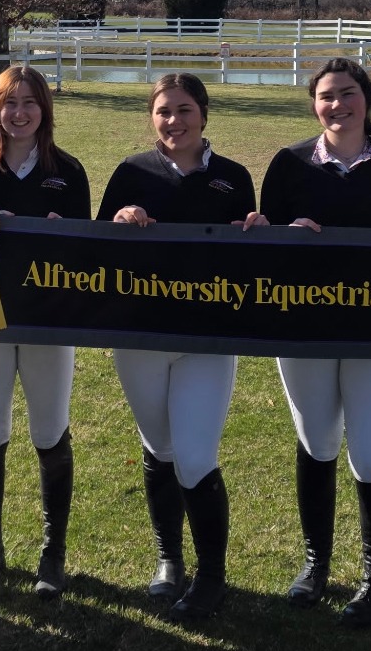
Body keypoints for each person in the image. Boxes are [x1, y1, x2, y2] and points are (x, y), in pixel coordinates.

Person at [256, 57, 371, 628]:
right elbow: (268, 247)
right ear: (314, 104)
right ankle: (317, 563)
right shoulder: (287, 165)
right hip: (302, 326)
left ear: (367, 101)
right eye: (327, 96)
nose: (338, 105)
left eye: (348, 94)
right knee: (316, 440)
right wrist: (279, 235)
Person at [97, 73, 259, 621]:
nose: (175, 121)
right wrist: (118, 222)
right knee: (159, 448)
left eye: (185, 109)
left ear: (204, 114)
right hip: (141, 336)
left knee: (195, 456)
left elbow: (245, 261)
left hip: (206, 340)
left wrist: (256, 235)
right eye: (164, 111)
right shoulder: (129, 173)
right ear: (152, 117)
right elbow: (94, 257)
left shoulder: (233, 178)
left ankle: (211, 575)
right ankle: (170, 559)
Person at [0, 67, 90, 599]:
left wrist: (56, 237)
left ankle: (53, 555)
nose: (20, 112)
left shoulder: (69, 171)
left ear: (44, 110)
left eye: (30, 102)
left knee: (49, 431)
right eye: (9, 103)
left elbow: (83, 252)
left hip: (45, 320)